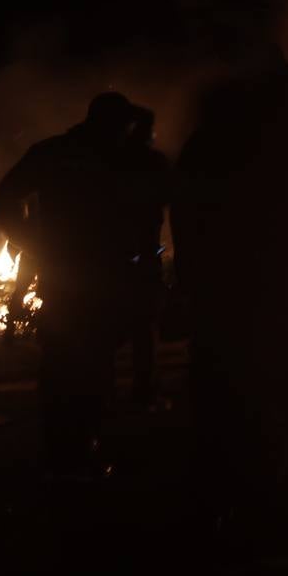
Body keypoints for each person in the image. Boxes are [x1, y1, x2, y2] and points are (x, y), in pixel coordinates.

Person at [172, 0, 288, 560]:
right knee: (281, 387)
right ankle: (282, 506)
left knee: (227, 386)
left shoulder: (219, 114)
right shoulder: (283, 109)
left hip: (231, 277)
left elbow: (186, 197)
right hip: (265, 274)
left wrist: (190, 268)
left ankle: (225, 504)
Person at [0, 92, 138, 479]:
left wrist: (31, 240)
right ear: (110, 125)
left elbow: (2, 198)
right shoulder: (106, 159)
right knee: (85, 364)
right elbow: (2, 198)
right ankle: (76, 451)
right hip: (88, 276)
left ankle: (66, 450)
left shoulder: (53, 152)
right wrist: (31, 240)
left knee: (67, 362)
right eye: (124, 128)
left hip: (70, 274)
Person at [119, 105, 172, 410]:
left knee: (104, 325)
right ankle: (143, 391)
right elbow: (172, 197)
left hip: (109, 252)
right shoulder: (154, 162)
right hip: (143, 253)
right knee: (143, 324)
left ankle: (100, 395)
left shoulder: (109, 159)